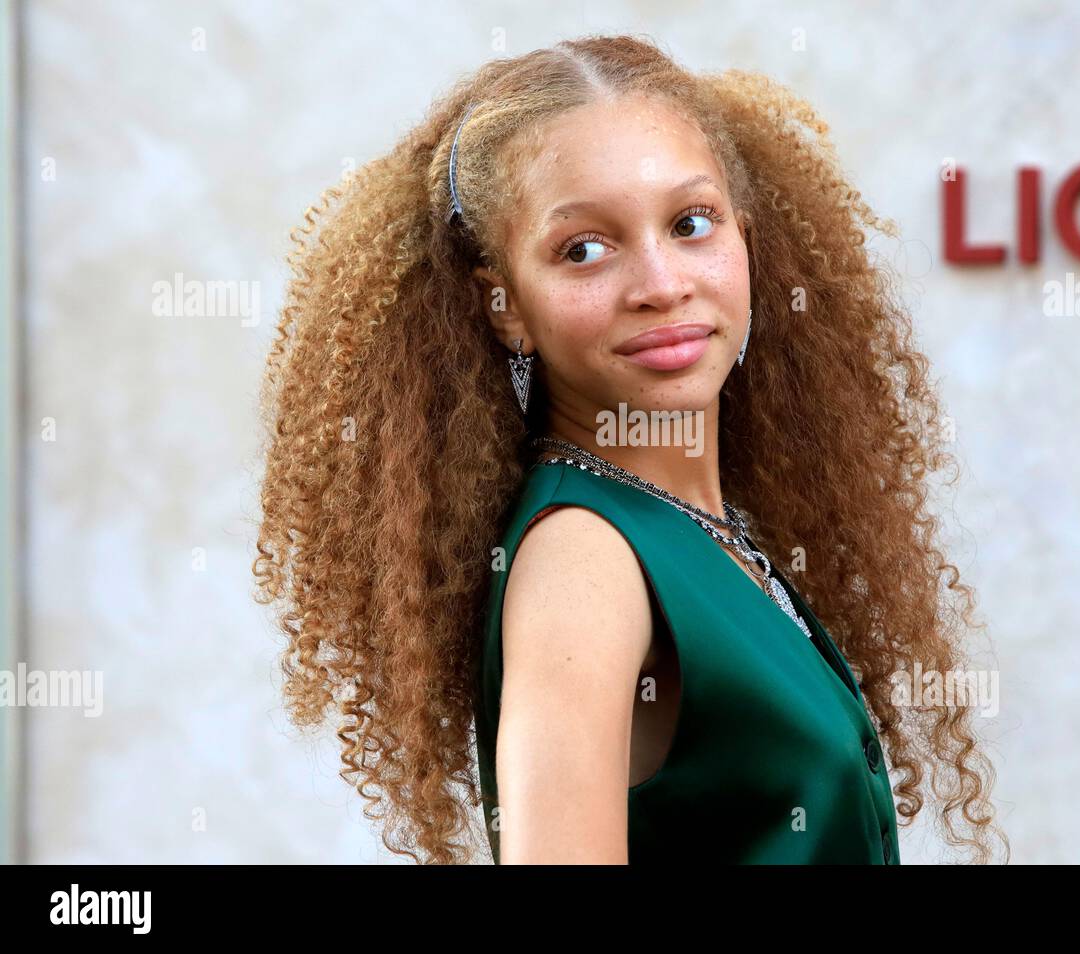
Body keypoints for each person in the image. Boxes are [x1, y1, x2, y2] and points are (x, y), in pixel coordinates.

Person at [253, 33, 1007, 865]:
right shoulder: (586, 558)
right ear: (504, 304)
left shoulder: (700, 532)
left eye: (691, 223)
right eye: (584, 248)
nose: (660, 283)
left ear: (744, 239)